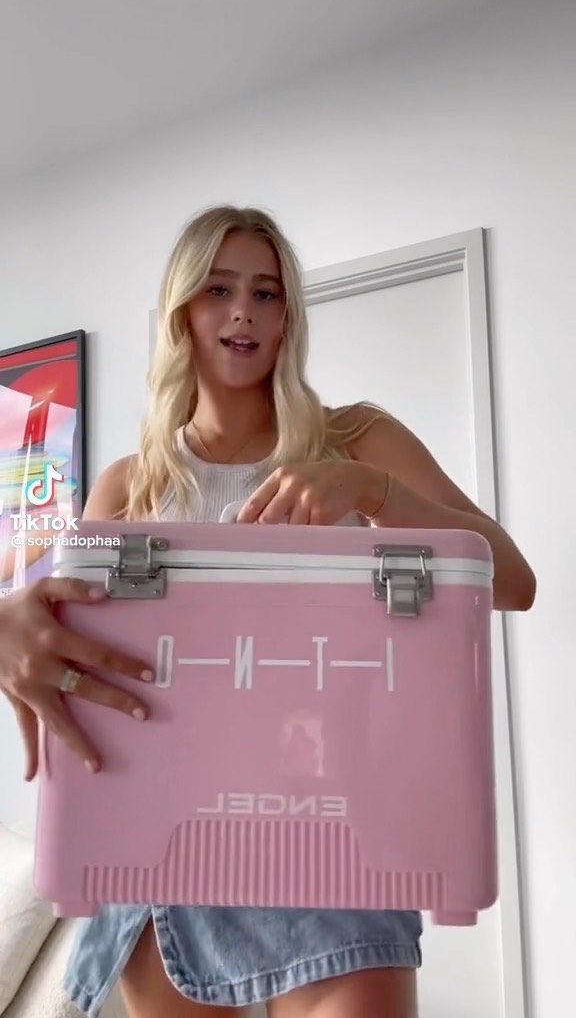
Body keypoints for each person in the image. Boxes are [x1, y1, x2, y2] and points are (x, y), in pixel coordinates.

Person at [0, 204, 536, 1018]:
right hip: (165, 854)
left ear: (289, 317)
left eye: (267, 292)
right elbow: (61, 634)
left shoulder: (357, 439)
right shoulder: (129, 485)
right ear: (181, 311)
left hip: (338, 842)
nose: (244, 311)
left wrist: (373, 492)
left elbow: (512, 580)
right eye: (219, 289)